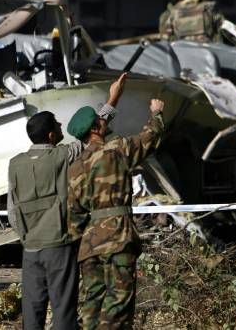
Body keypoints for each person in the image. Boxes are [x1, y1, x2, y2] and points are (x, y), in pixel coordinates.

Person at [8, 72, 127, 330]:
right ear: (51, 136)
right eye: (57, 125)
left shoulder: (14, 164)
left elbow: (12, 211)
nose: (62, 126)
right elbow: (92, 132)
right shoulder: (63, 155)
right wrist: (112, 98)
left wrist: (27, 238)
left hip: (30, 249)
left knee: (32, 312)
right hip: (59, 246)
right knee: (63, 312)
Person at [67, 95, 165, 329]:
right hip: (118, 238)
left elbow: (74, 217)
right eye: (100, 121)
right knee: (118, 303)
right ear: (94, 129)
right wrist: (157, 113)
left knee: (93, 302)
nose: (104, 122)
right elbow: (150, 137)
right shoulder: (117, 149)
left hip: (89, 246)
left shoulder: (75, 169)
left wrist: (80, 244)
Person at [158, 0, 225, 43]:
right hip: (206, 50)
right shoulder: (210, 8)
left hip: (181, 50)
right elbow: (225, 29)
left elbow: (165, 37)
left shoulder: (174, 10)